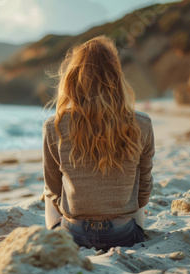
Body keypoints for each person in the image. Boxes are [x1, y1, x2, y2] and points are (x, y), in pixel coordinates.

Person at [42, 35, 155, 251]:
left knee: (48, 190)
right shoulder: (142, 123)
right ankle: (137, 235)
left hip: (74, 235)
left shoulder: (54, 126)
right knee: (139, 177)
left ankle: (56, 237)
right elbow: (144, 190)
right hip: (123, 235)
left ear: (73, 79)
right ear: (116, 77)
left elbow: (54, 191)